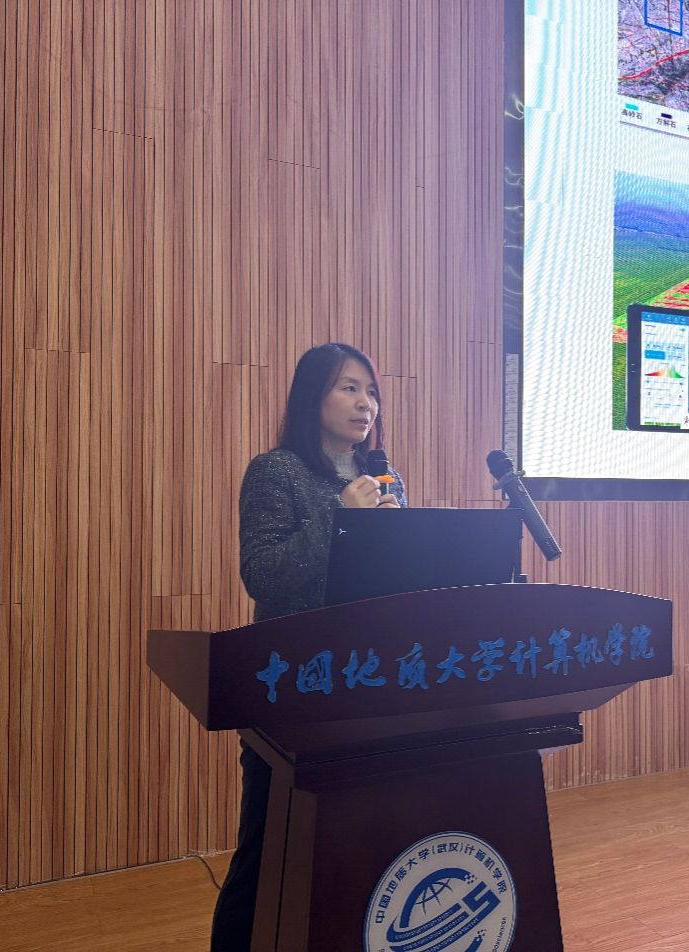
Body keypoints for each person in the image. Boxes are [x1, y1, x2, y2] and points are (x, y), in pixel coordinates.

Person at [211, 342, 405, 950]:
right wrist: (339, 518)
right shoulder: (276, 471)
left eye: (371, 391)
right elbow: (262, 575)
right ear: (311, 396)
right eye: (349, 388)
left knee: (357, 844)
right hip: (294, 687)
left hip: (368, 683)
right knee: (267, 848)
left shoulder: (383, 477)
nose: (365, 403)